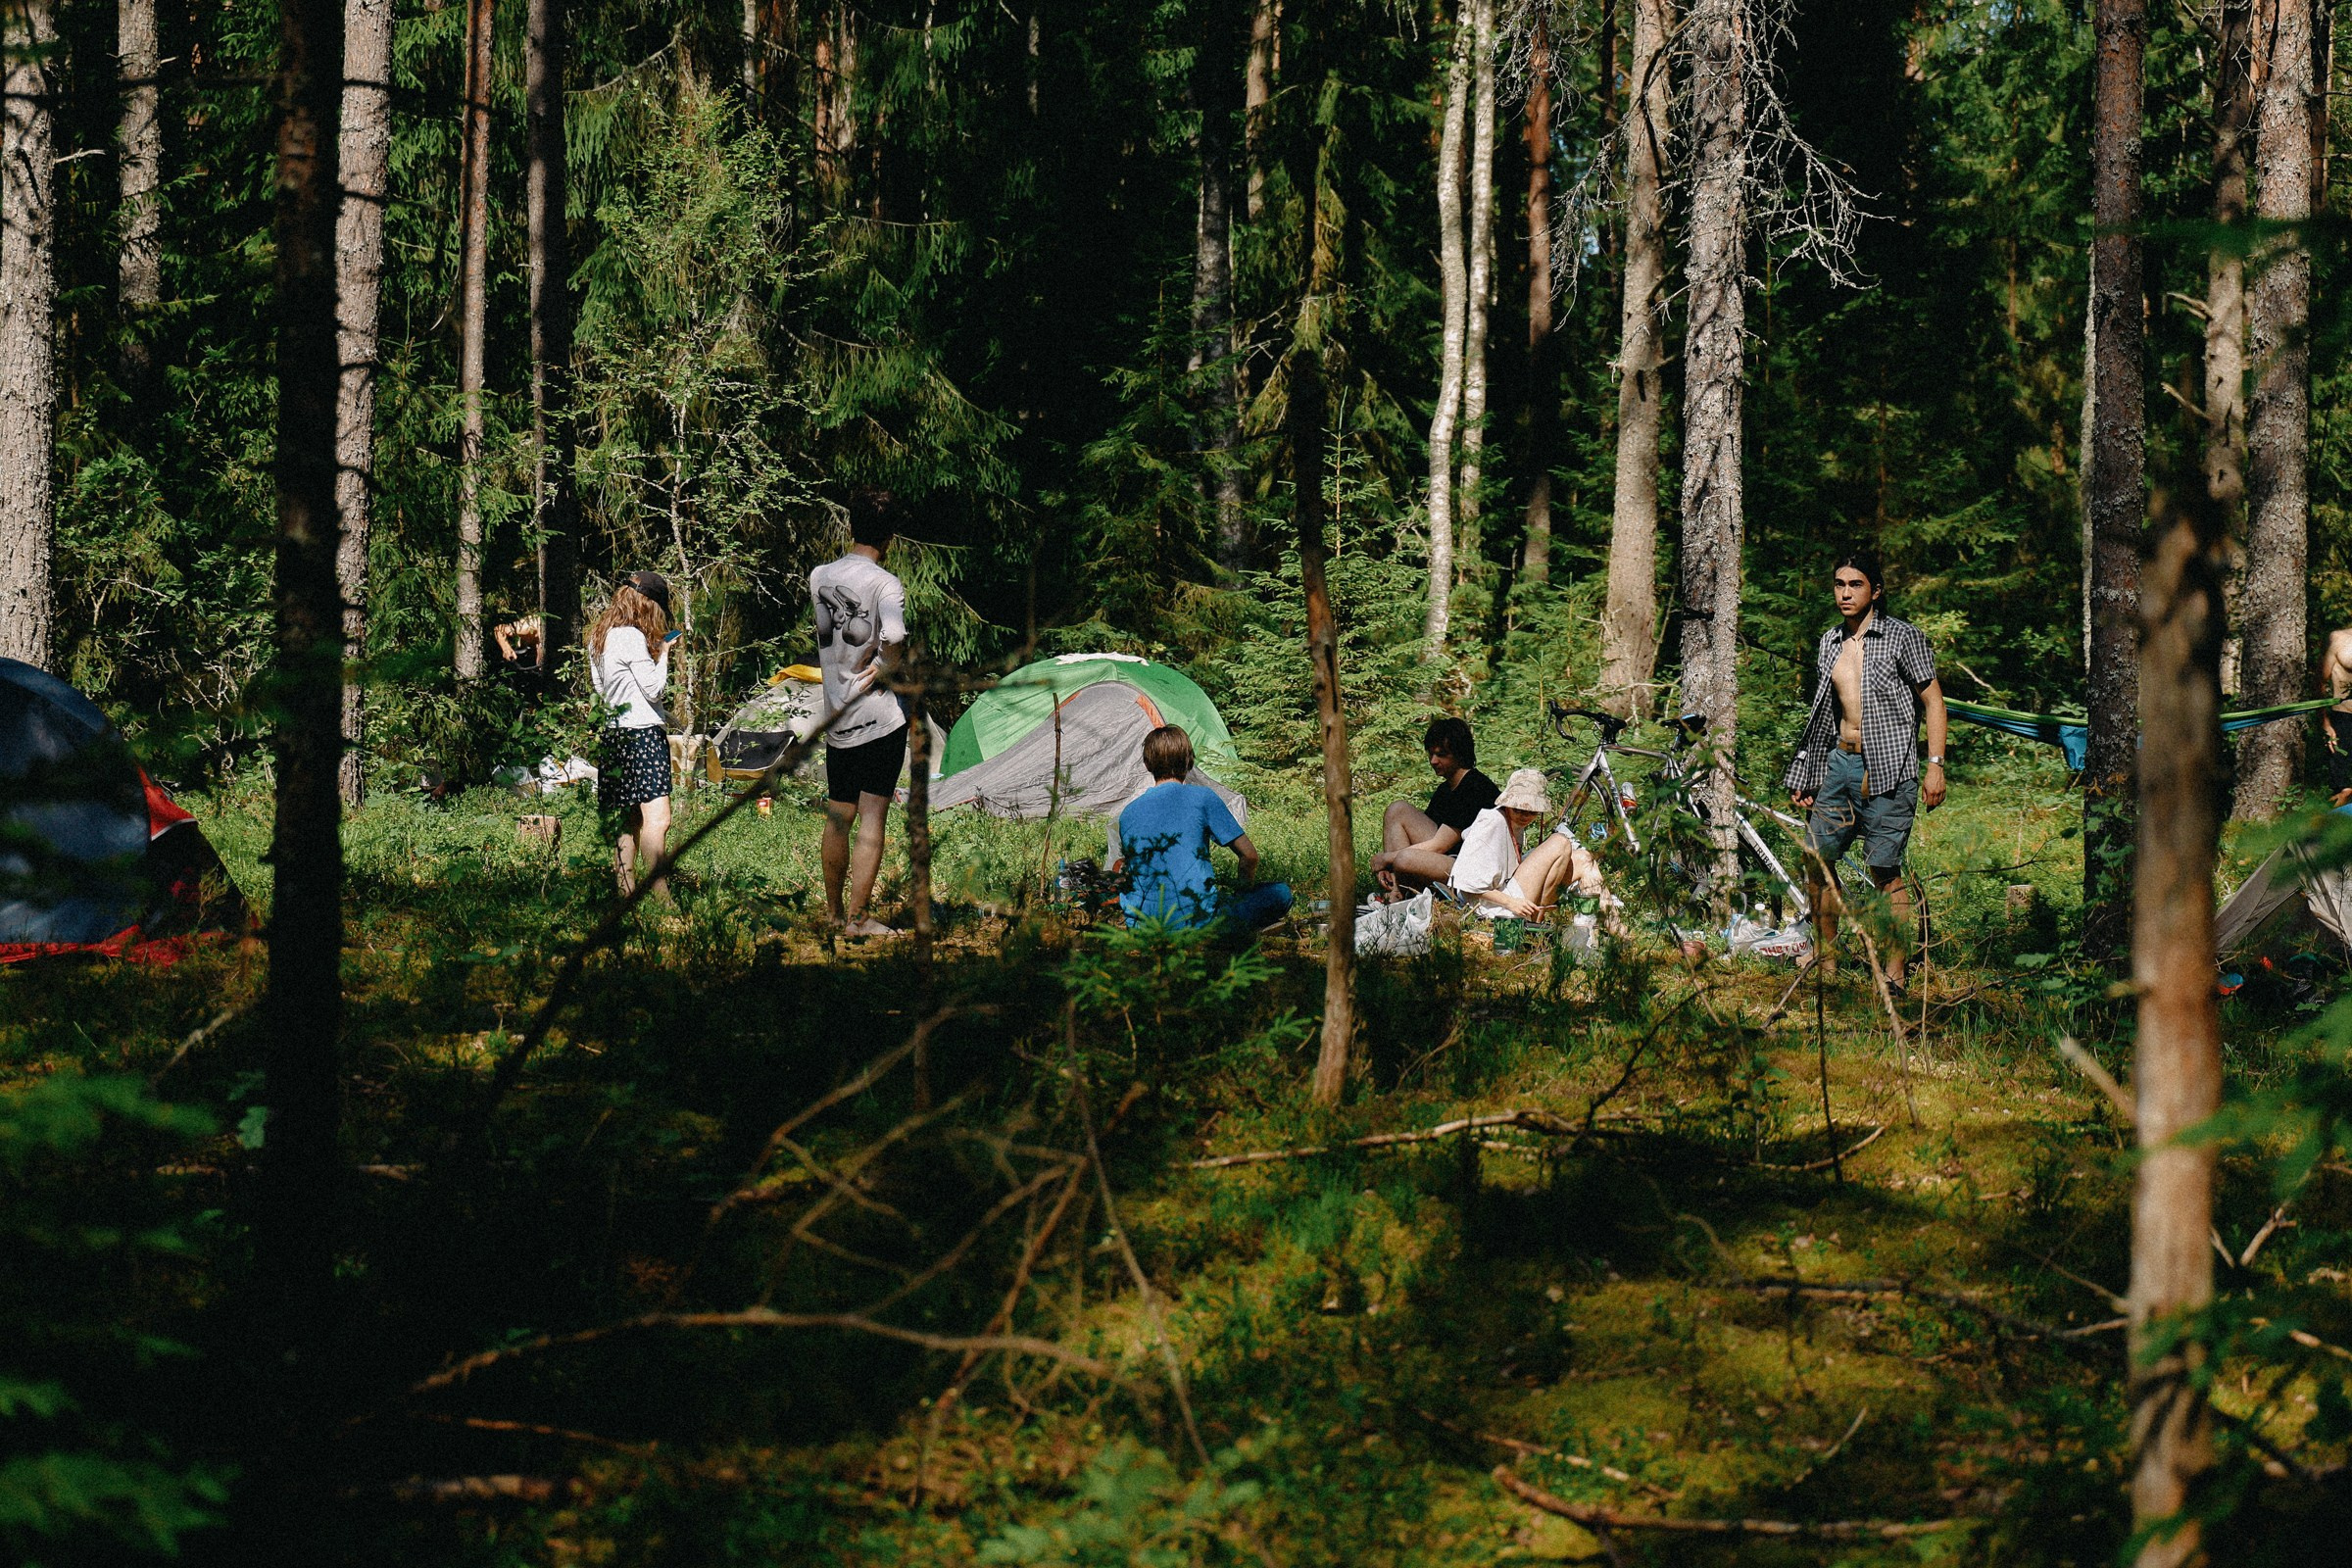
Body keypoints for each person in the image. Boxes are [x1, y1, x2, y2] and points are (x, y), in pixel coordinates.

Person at [1784, 551, 1947, 994]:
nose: (1845, 593)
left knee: (1884, 870)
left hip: (1889, 767)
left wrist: (1935, 765)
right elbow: (1823, 716)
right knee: (1817, 862)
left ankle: (1894, 975)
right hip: (1838, 762)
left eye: (1855, 584)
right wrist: (1808, 774)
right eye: (1839, 584)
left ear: (1876, 590)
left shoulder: (1903, 637)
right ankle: (1826, 961)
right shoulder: (1829, 642)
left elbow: (1933, 701)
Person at [810, 488, 910, 937]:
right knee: (873, 815)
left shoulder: (819, 576)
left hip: (838, 714)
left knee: (839, 815)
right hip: (879, 715)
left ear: (851, 526)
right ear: (890, 537)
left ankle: (834, 915)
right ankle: (858, 919)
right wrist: (886, 666)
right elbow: (895, 635)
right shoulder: (885, 583)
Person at [1106, 724, 1292, 932]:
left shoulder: (1128, 813)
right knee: (1281, 893)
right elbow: (1250, 856)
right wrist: (1241, 893)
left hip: (1143, 926)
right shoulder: (1203, 798)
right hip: (1198, 923)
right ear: (1189, 761)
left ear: (1147, 764)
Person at [589, 571, 675, 899]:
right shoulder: (632, 637)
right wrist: (664, 653)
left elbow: (603, 690)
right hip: (643, 737)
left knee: (627, 819)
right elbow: (653, 689)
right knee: (658, 819)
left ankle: (625, 892)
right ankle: (661, 897)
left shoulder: (599, 637)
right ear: (648, 604)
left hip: (615, 736)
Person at [1447, 768, 1613, 920]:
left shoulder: (1514, 823)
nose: (1524, 816)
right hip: (1494, 907)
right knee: (1560, 841)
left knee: (1585, 859)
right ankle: (1537, 920)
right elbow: (1467, 884)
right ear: (1508, 803)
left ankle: (1616, 930)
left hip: (1510, 894)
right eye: (1518, 809)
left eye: (1532, 811)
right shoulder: (1493, 821)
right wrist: (1511, 902)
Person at [1371, 715, 1500, 898]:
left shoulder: (1475, 786)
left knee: (1404, 858)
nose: (1433, 761)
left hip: (1470, 868)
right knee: (1397, 810)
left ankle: (1401, 894)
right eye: (1431, 754)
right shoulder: (1445, 790)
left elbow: (1439, 845)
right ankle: (1397, 892)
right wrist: (1389, 865)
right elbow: (1420, 840)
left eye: (1441, 755)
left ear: (1460, 753)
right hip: (1448, 861)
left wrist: (1386, 859)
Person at [2321, 625, 2352, 806]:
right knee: (2343, 788)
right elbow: (2319, 683)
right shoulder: (2338, 638)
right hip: (2344, 717)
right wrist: (2325, 723)